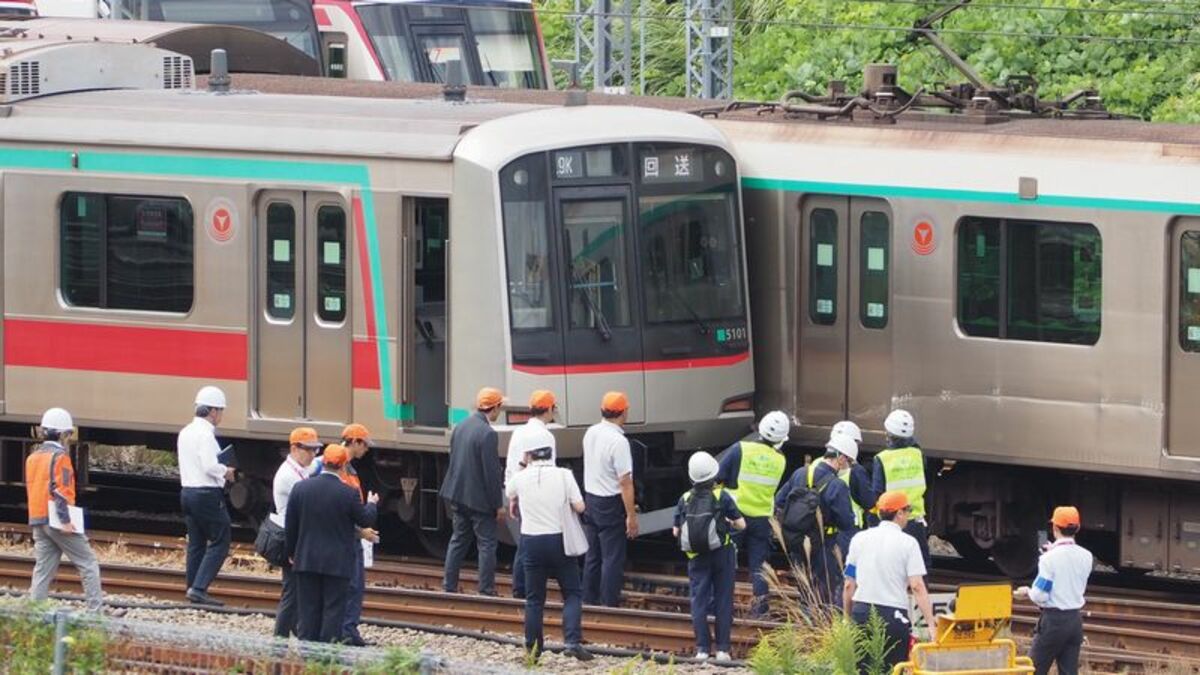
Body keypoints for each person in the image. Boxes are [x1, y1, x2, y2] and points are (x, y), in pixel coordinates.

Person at [504, 431, 593, 662]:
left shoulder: (522, 478)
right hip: (559, 540)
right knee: (572, 592)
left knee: (534, 598)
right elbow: (581, 507)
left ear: (530, 455)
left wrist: (523, 463)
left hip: (531, 542)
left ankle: (533, 650)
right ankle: (572, 642)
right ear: (551, 454)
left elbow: (509, 491)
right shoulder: (564, 475)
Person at [286, 444, 379, 643]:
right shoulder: (349, 493)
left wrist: (292, 552)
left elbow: (291, 525)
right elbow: (365, 520)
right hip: (337, 564)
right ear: (343, 466)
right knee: (333, 609)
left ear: (324, 462)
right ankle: (326, 653)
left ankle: (307, 649)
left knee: (308, 608)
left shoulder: (301, 488)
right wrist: (372, 504)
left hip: (307, 560)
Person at [843, 491, 937, 673]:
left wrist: (848, 618)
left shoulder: (859, 539)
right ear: (899, 513)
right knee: (892, 669)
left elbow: (849, 584)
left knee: (862, 669)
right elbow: (917, 586)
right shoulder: (908, 543)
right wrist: (931, 625)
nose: (909, 515)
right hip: (892, 615)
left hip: (861, 613)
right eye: (908, 510)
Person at [26, 408, 105, 612]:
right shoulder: (60, 458)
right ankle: (96, 613)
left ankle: (35, 613)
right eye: (68, 434)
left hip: (37, 520)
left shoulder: (32, 458)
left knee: (43, 570)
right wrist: (65, 520)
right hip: (57, 520)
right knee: (88, 563)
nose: (68, 438)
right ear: (61, 434)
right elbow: (61, 491)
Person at [716, 410, 790, 616]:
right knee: (760, 567)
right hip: (762, 519)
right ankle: (760, 610)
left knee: (727, 561)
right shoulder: (780, 460)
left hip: (735, 516)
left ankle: (722, 607)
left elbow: (718, 477)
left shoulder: (740, 449)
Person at [674, 451, 745, 662]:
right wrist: (729, 524)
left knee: (699, 601)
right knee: (723, 600)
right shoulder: (721, 496)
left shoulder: (684, 499)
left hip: (696, 556)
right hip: (722, 553)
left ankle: (702, 649)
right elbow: (742, 525)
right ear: (713, 475)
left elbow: (676, 532)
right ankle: (723, 650)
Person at [775, 434, 858, 607]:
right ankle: (819, 629)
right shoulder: (837, 485)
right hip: (824, 546)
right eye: (849, 462)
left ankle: (806, 627)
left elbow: (779, 501)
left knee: (805, 590)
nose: (848, 466)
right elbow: (846, 522)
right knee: (824, 594)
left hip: (798, 541)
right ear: (841, 458)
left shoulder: (800, 473)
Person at [441, 387, 506, 596]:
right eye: (500, 407)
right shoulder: (487, 434)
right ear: (495, 407)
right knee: (486, 544)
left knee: (458, 540)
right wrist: (498, 504)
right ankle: (486, 589)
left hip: (457, 494)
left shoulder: (461, 426)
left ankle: (449, 585)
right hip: (479, 500)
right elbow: (492, 474)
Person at [1015, 506, 1093, 675]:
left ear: (1055, 528)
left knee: (1033, 670)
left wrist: (1027, 592)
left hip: (1053, 622)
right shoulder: (1087, 556)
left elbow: (1040, 594)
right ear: (1077, 528)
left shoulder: (1048, 559)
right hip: (1074, 621)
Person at [177, 385, 235, 606]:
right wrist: (226, 472)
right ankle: (199, 588)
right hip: (206, 493)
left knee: (197, 542)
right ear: (212, 411)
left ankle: (192, 586)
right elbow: (210, 465)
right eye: (220, 411)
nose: (221, 415)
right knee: (221, 540)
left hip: (187, 492)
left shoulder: (185, 432)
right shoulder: (206, 434)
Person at [582, 391, 638, 607]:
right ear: (623, 413)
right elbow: (625, 482)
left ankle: (589, 598)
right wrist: (631, 516)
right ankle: (608, 603)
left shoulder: (591, 432)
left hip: (591, 499)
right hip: (610, 502)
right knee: (612, 558)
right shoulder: (619, 441)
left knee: (593, 556)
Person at [505, 390, 558, 600]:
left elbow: (511, 465)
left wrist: (512, 495)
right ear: (548, 409)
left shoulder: (518, 432)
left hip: (520, 489)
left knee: (525, 540)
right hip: (538, 495)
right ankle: (526, 587)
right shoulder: (546, 436)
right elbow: (548, 468)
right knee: (532, 542)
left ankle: (520, 586)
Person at [271, 427, 322, 638]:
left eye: (315, 450)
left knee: (296, 593)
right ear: (294, 448)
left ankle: (297, 635)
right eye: (309, 450)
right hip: (291, 540)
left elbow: (315, 468)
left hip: (296, 538)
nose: (313, 454)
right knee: (291, 594)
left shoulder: (297, 469)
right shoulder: (288, 477)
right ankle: (279, 643)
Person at [871, 409, 931, 568]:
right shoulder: (918, 454)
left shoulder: (882, 459)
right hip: (915, 519)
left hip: (892, 522)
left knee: (893, 568)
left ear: (888, 433)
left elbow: (877, 493)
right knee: (920, 566)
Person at [338, 423, 379, 646]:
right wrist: (360, 531)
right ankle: (347, 631)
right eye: (364, 444)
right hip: (348, 537)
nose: (366, 449)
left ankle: (348, 630)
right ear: (354, 442)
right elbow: (339, 510)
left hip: (351, 535)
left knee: (353, 585)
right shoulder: (342, 469)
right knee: (352, 585)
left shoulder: (347, 468)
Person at [831, 421, 878, 529]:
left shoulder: (817, 464)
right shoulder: (856, 471)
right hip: (851, 527)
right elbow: (869, 502)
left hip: (826, 529)